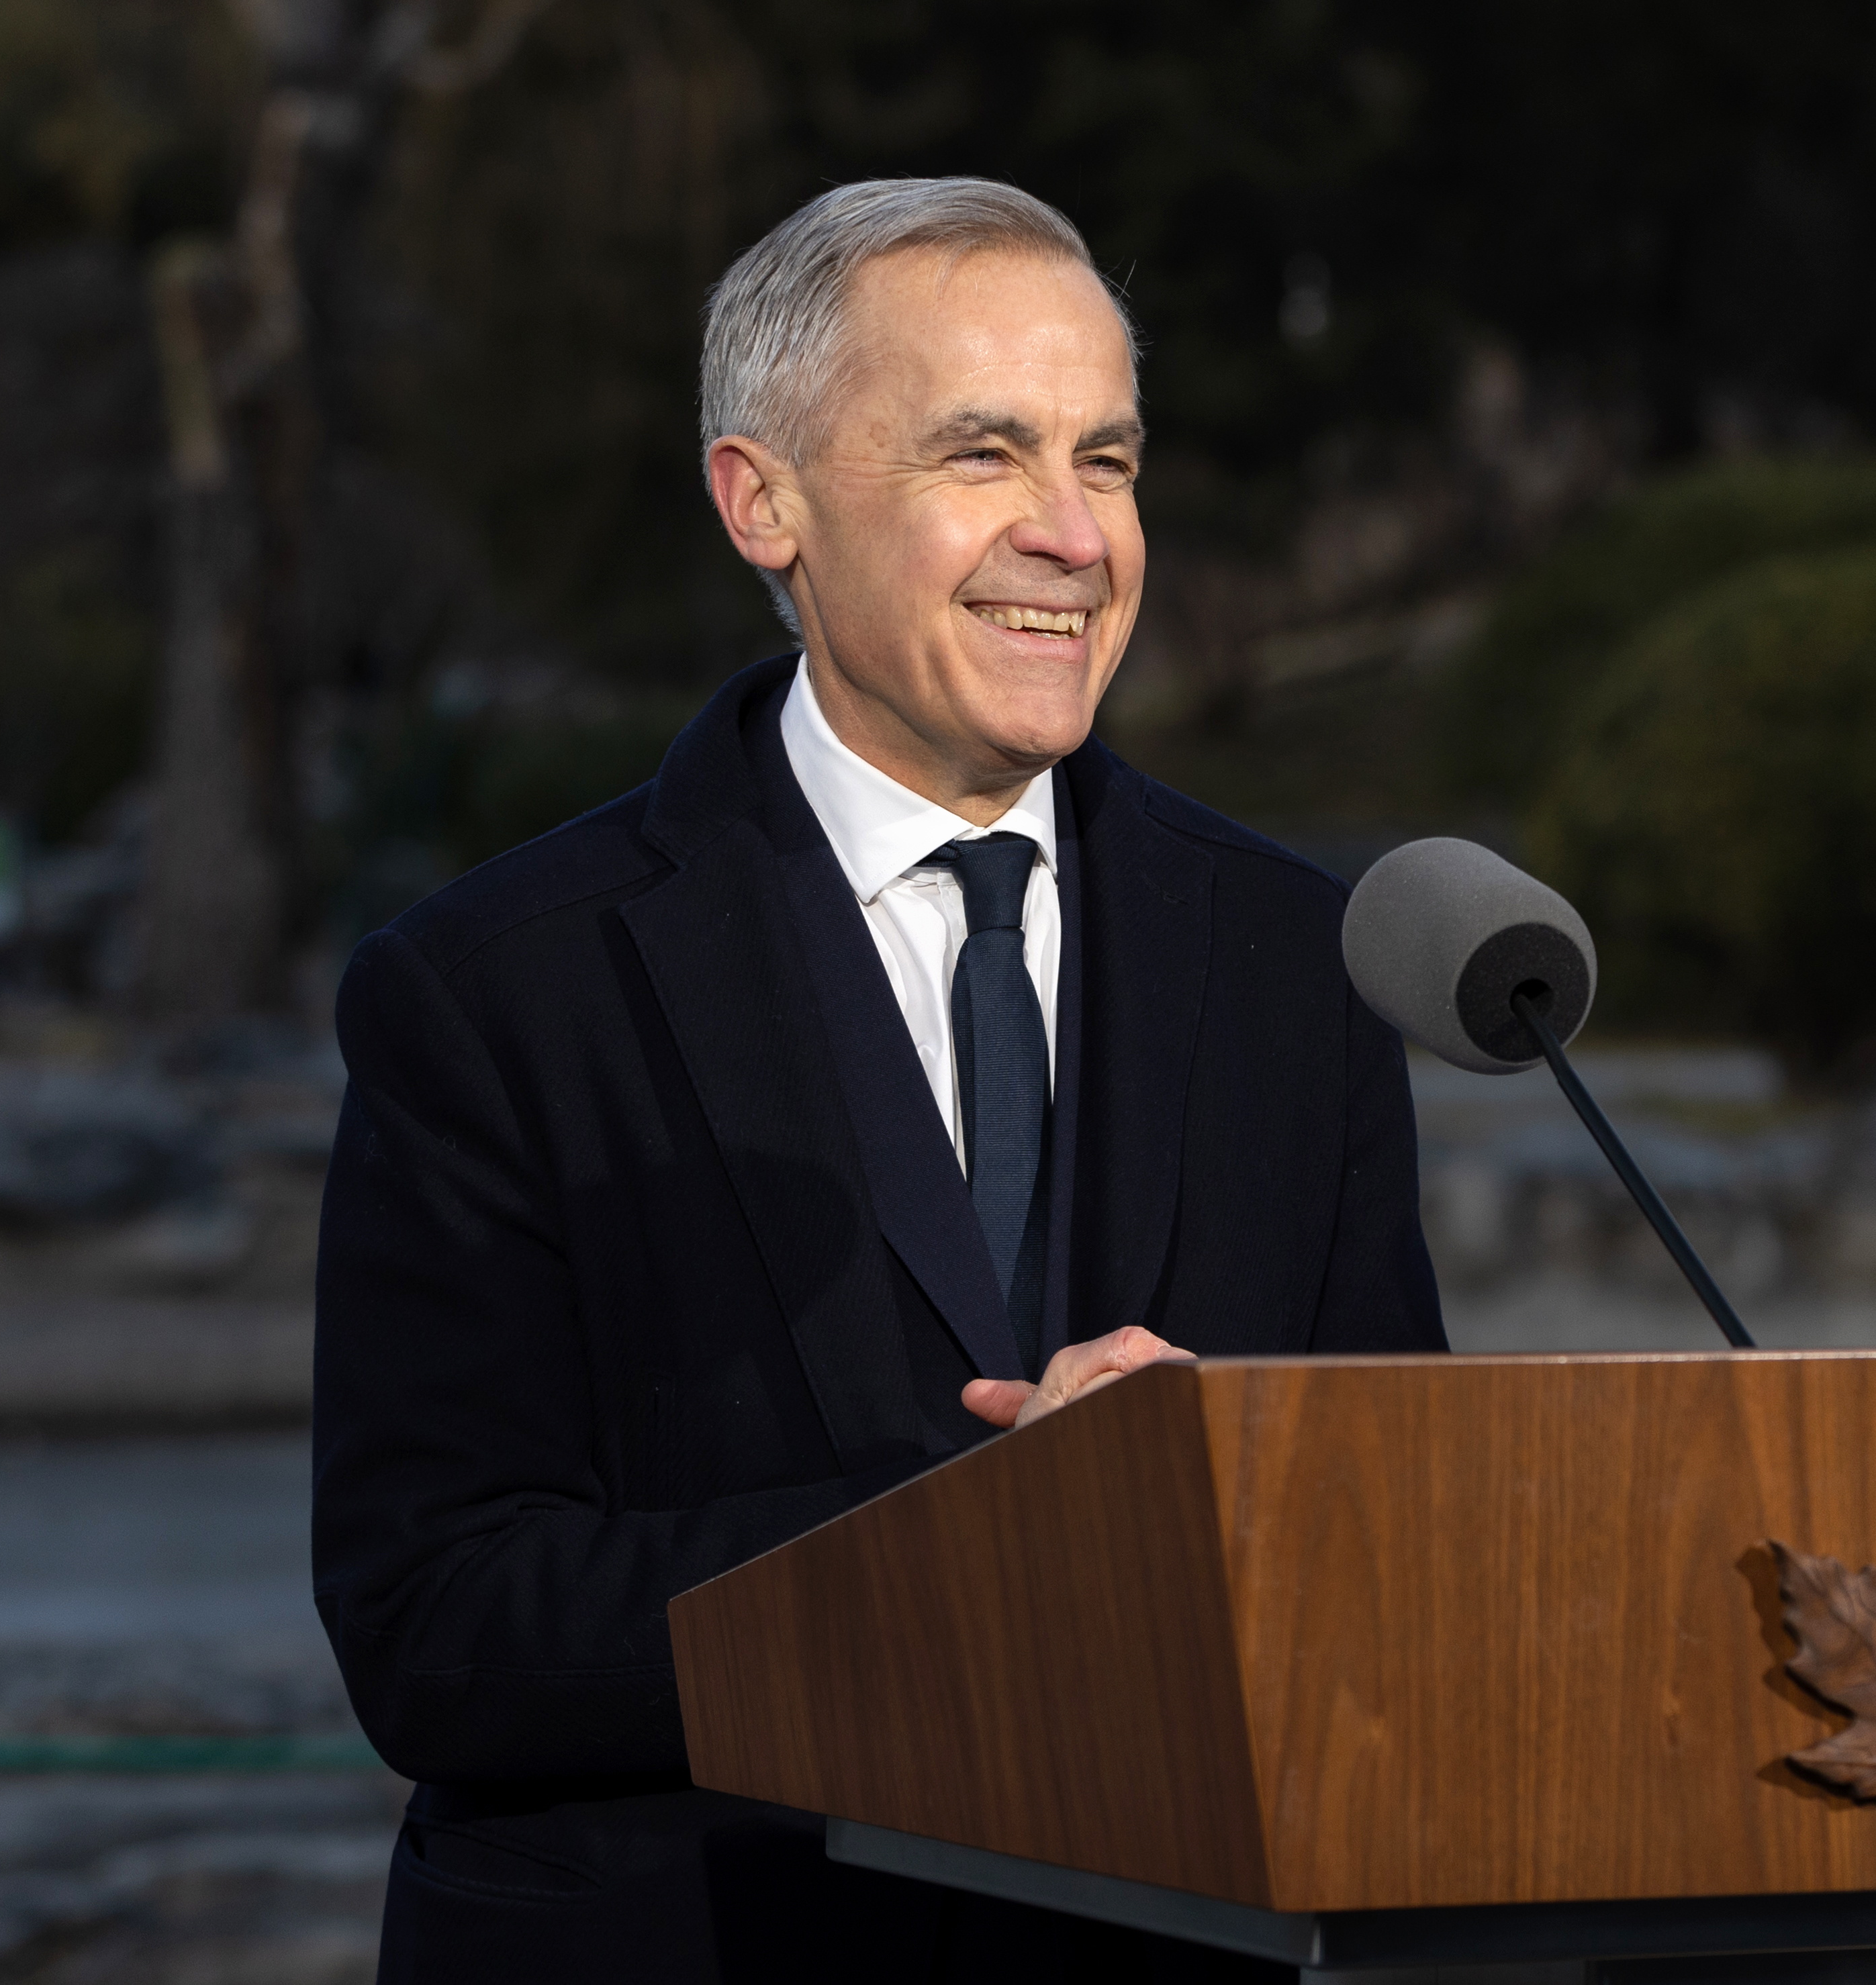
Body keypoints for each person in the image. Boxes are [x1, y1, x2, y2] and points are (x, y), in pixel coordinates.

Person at [310, 177, 1446, 1984]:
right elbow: (436, 1629)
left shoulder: (1297, 963)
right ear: (764, 502)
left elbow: (1401, 1551)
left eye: (1111, 460)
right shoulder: (496, 992)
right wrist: (977, 1551)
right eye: (983, 456)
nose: (1074, 538)